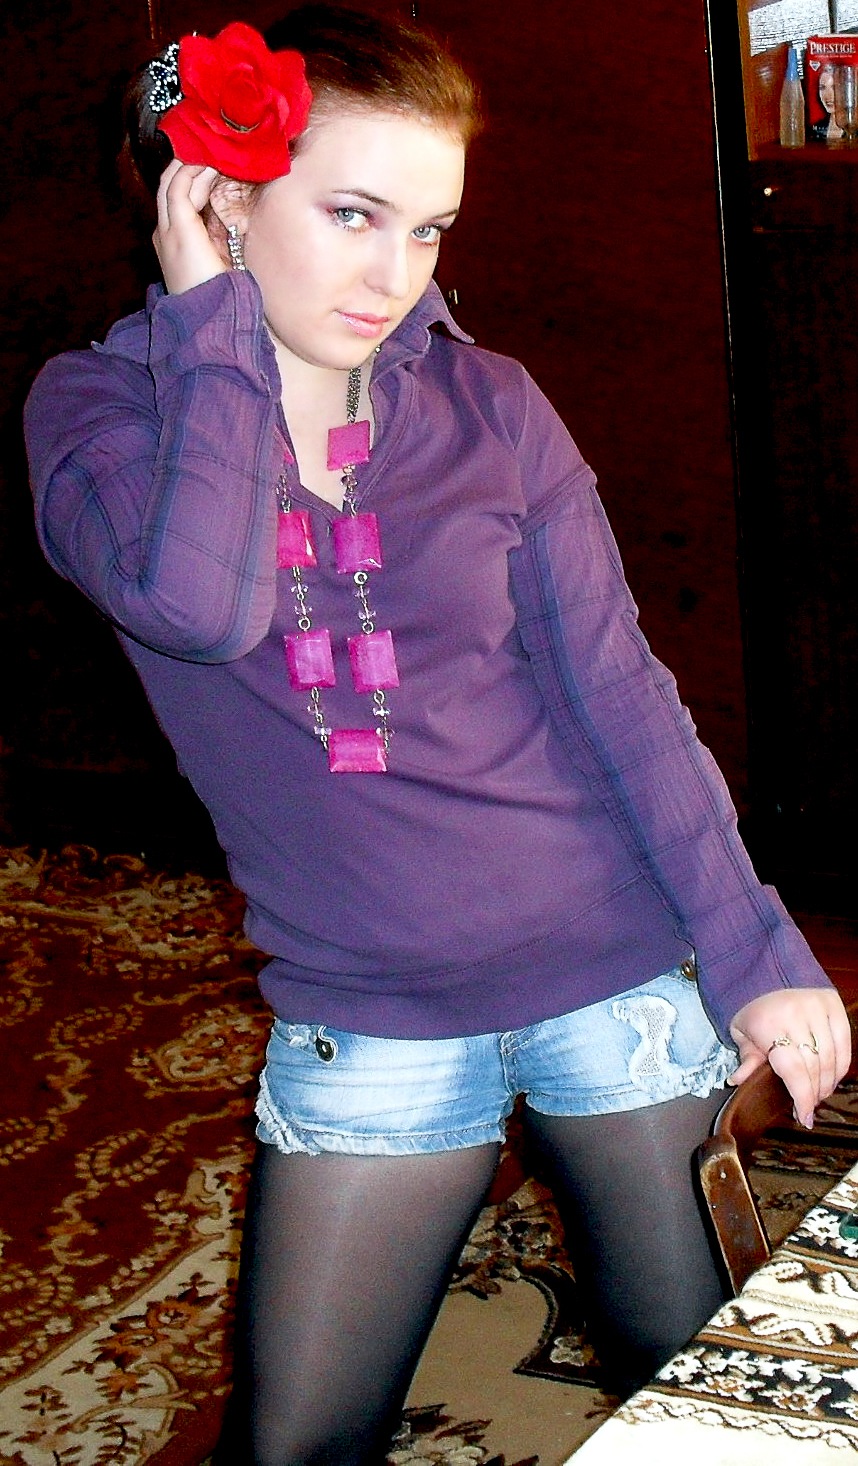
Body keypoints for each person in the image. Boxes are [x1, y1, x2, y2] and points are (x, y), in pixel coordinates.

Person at [24, 6, 851, 1462]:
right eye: (353, 214)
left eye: (427, 229)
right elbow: (198, 605)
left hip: (608, 966)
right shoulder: (100, 414)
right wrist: (214, 334)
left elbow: (620, 693)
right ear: (215, 200)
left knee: (710, 1405)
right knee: (298, 1444)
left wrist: (757, 948)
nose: (395, 274)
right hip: (370, 1006)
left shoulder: (491, 404)